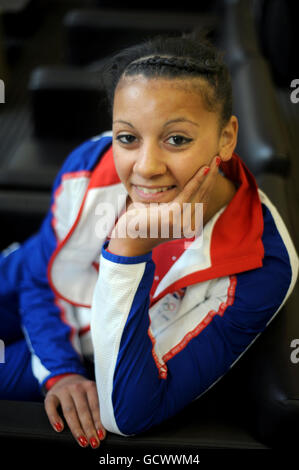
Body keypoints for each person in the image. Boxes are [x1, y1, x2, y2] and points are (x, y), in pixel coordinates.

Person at [0, 32, 298, 449]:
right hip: (28, 295)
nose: (146, 167)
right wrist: (60, 371)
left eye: (177, 139)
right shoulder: (93, 162)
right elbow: (38, 276)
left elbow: (130, 412)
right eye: (128, 137)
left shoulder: (259, 263)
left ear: (227, 138)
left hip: (88, 346)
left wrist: (128, 250)